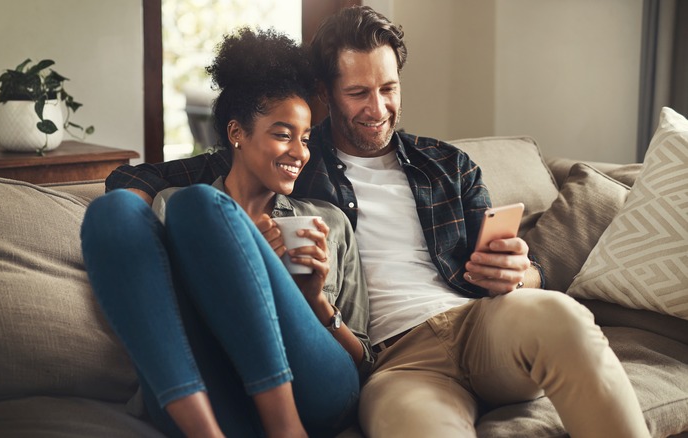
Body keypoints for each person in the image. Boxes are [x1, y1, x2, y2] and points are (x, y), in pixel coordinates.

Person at [106, 6, 650, 437]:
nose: (378, 108)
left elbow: (523, 270)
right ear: (325, 96)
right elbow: (131, 183)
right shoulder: (290, 157)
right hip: (394, 365)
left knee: (563, 317)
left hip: (481, 325)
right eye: (359, 93)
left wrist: (520, 273)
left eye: (388, 89)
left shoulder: (447, 165)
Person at [81, 27, 372, 438]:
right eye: (282, 134)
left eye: (305, 139)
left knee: (199, 205)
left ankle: (286, 429)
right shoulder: (170, 206)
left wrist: (313, 300)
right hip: (216, 392)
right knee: (113, 211)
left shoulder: (329, 221)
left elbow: (364, 361)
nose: (300, 152)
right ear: (237, 133)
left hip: (316, 388)